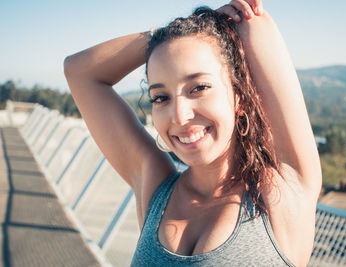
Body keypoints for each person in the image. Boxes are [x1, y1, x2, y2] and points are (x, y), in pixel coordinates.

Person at [64, 1, 322, 266]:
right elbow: (79, 72)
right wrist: (168, 35)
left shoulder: (282, 191)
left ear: (240, 97)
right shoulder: (155, 188)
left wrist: (213, 27)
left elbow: (255, 21)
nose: (178, 116)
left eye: (198, 88)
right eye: (161, 97)